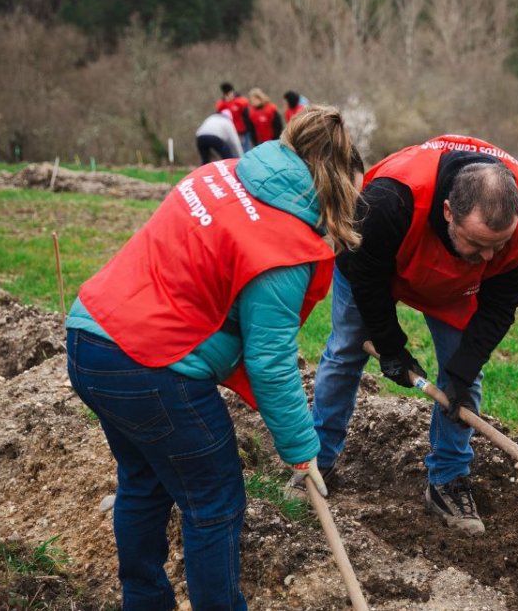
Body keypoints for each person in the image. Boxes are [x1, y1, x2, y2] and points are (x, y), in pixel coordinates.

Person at [65, 106, 362, 609]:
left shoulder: (218, 174)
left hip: (89, 336)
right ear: (332, 183)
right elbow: (271, 360)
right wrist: (301, 447)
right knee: (215, 501)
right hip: (149, 364)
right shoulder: (285, 246)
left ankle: (144, 601)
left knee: (143, 481)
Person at [309, 134, 518, 535]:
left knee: (466, 381)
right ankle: (317, 462)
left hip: (458, 286)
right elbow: (364, 276)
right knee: (345, 350)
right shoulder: (388, 202)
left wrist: (460, 371)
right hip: (380, 261)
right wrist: (390, 347)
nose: (491, 256)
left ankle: (448, 480)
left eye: (499, 245)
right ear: (447, 212)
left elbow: (498, 309)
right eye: (477, 242)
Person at [215, 82, 252, 152]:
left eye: (230, 93)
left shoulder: (242, 101)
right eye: (226, 94)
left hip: (244, 131)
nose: (229, 95)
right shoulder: (221, 104)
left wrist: (248, 128)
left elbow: (248, 116)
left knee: (246, 150)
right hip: (231, 132)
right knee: (234, 152)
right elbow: (218, 116)